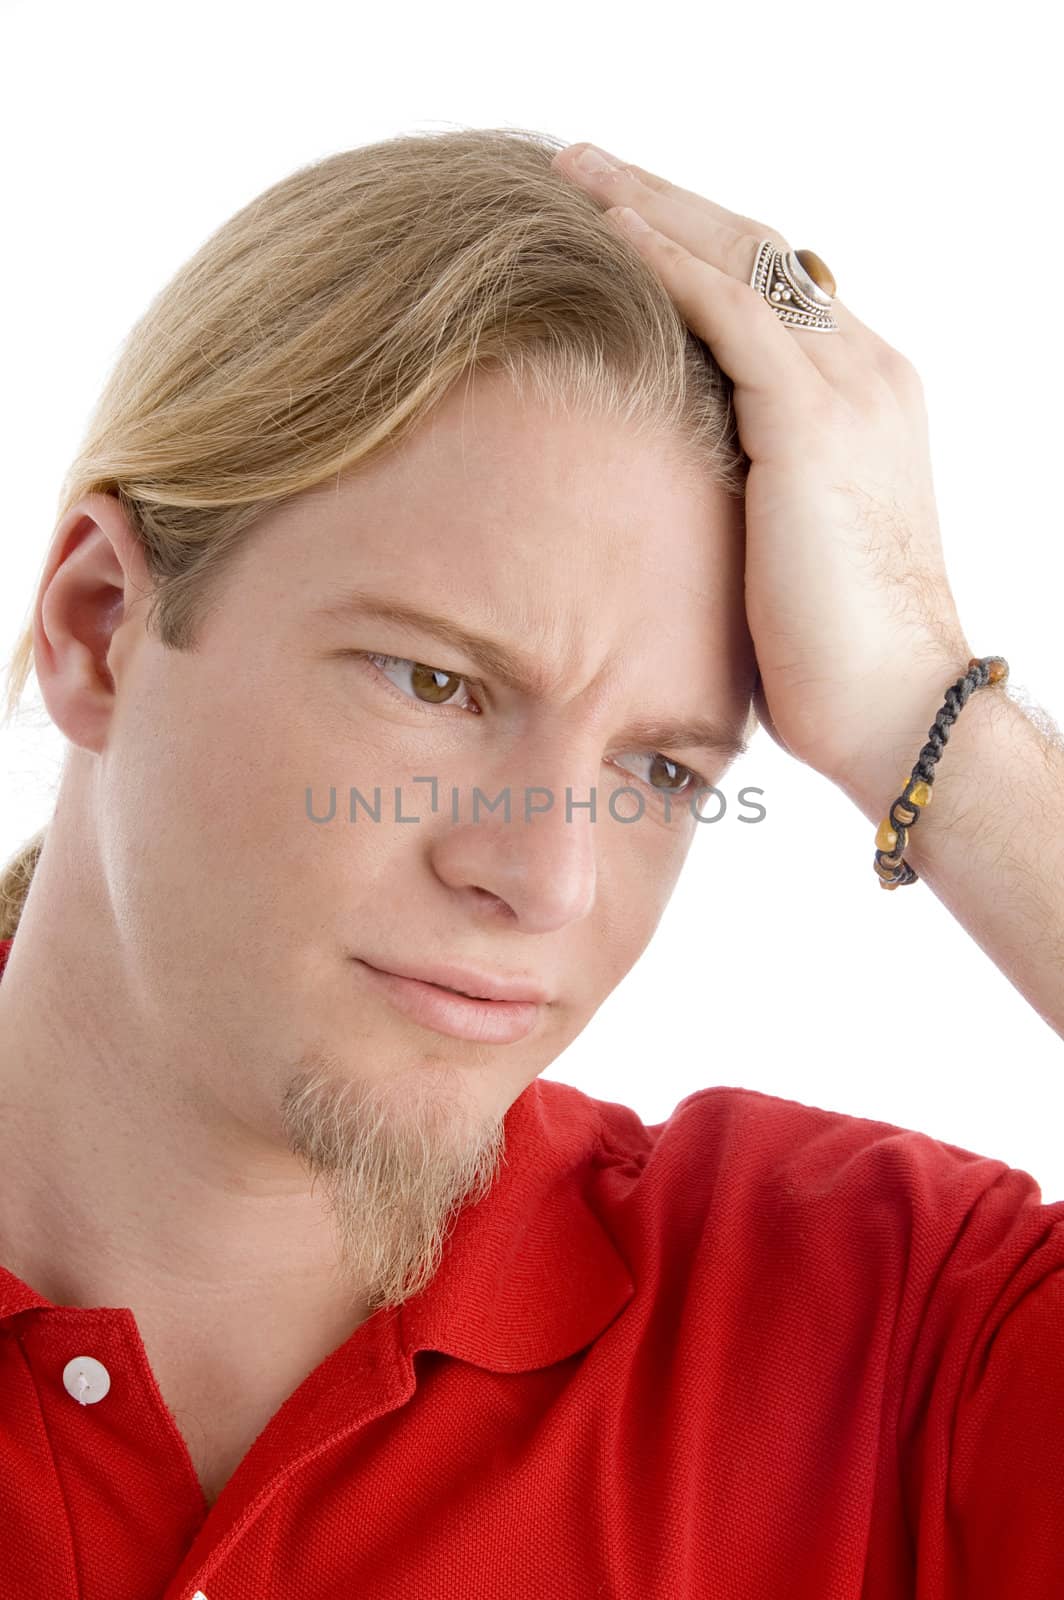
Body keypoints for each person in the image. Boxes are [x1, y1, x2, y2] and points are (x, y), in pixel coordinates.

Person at [0, 126, 1060, 1598]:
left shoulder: (888, 1336)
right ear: (99, 627)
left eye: (659, 768)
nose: (550, 881)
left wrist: (920, 712)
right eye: (436, 685)